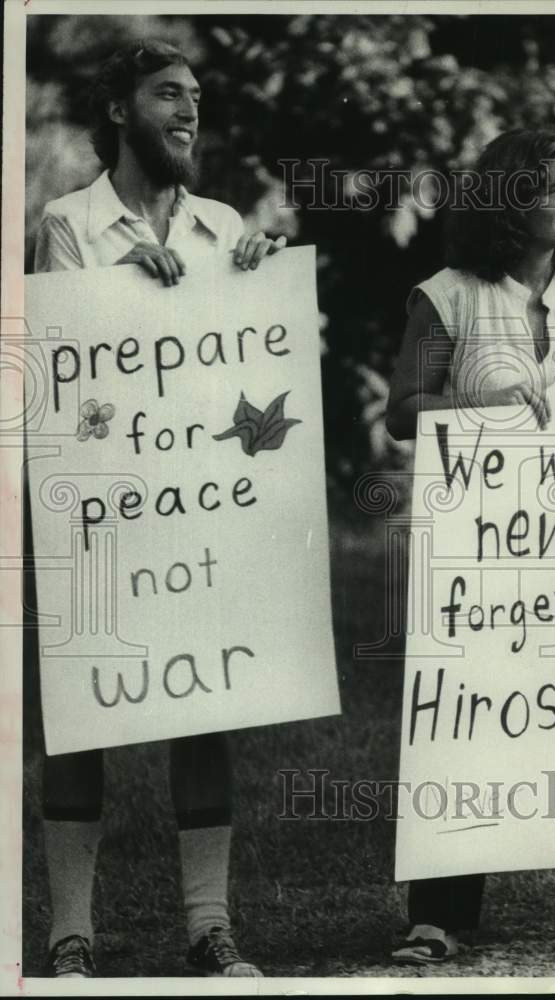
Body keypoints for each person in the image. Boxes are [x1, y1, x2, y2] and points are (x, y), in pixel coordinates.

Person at [30, 38, 287, 978]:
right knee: (82, 711)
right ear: (118, 111)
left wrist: (257, 282)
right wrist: (118, 298)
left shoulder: (222, 228)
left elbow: (251, 384)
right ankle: (71, 936)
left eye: (196, 97)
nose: (188, 111)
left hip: (199, 506)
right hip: (99, 508)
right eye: (167, 94)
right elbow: (60, 370)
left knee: (203, 705)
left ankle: (210, 928)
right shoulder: (68, 224)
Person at [385, 128, 555, 965]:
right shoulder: (448, 296)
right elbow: (403, 410)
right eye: (554, 189)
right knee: (464, 713)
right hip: (478, 550)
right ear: (511, 203)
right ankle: (439, 916)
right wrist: (480, 413)